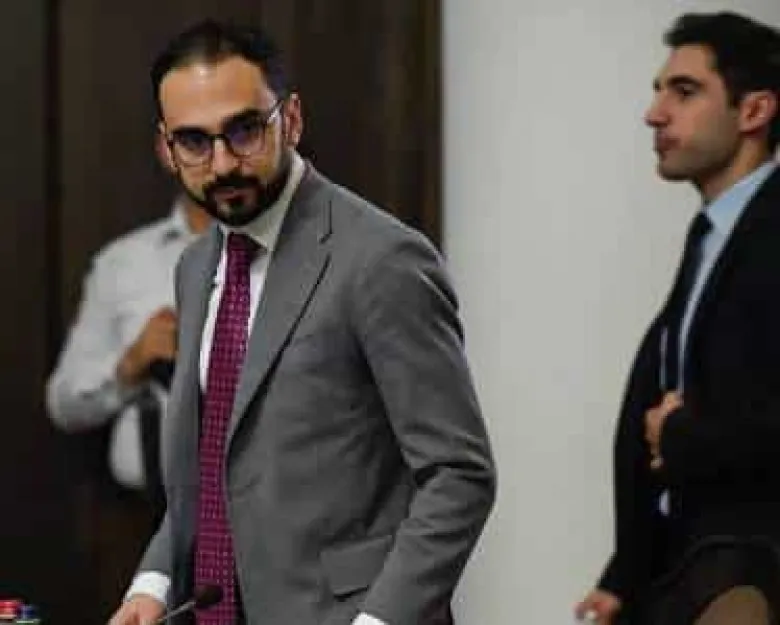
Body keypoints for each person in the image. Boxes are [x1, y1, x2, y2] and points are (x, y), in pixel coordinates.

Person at [108, 19, 496, 625]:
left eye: (244, 131)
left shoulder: (381, 259)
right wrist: (152, 585)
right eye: (194, 142)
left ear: (290, 120)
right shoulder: (195, 266)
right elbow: (210, 471)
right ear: (167, 147)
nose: (222, 164)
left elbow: (459, 474)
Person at [575, 11, 780, 625]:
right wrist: (625, 574)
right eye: (659, 91)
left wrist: (684, 435)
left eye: (684, 92)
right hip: (683, 569)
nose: (655, 114)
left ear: (755, 110)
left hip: (750, 572)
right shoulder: (712, 236)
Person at [46, 158, 211, 618]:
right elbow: (62, 403)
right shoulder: (122, 264)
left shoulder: (287, 261)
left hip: (263, 523)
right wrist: (129, 365)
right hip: (135, 523)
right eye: (194, 139)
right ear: (166, 146)